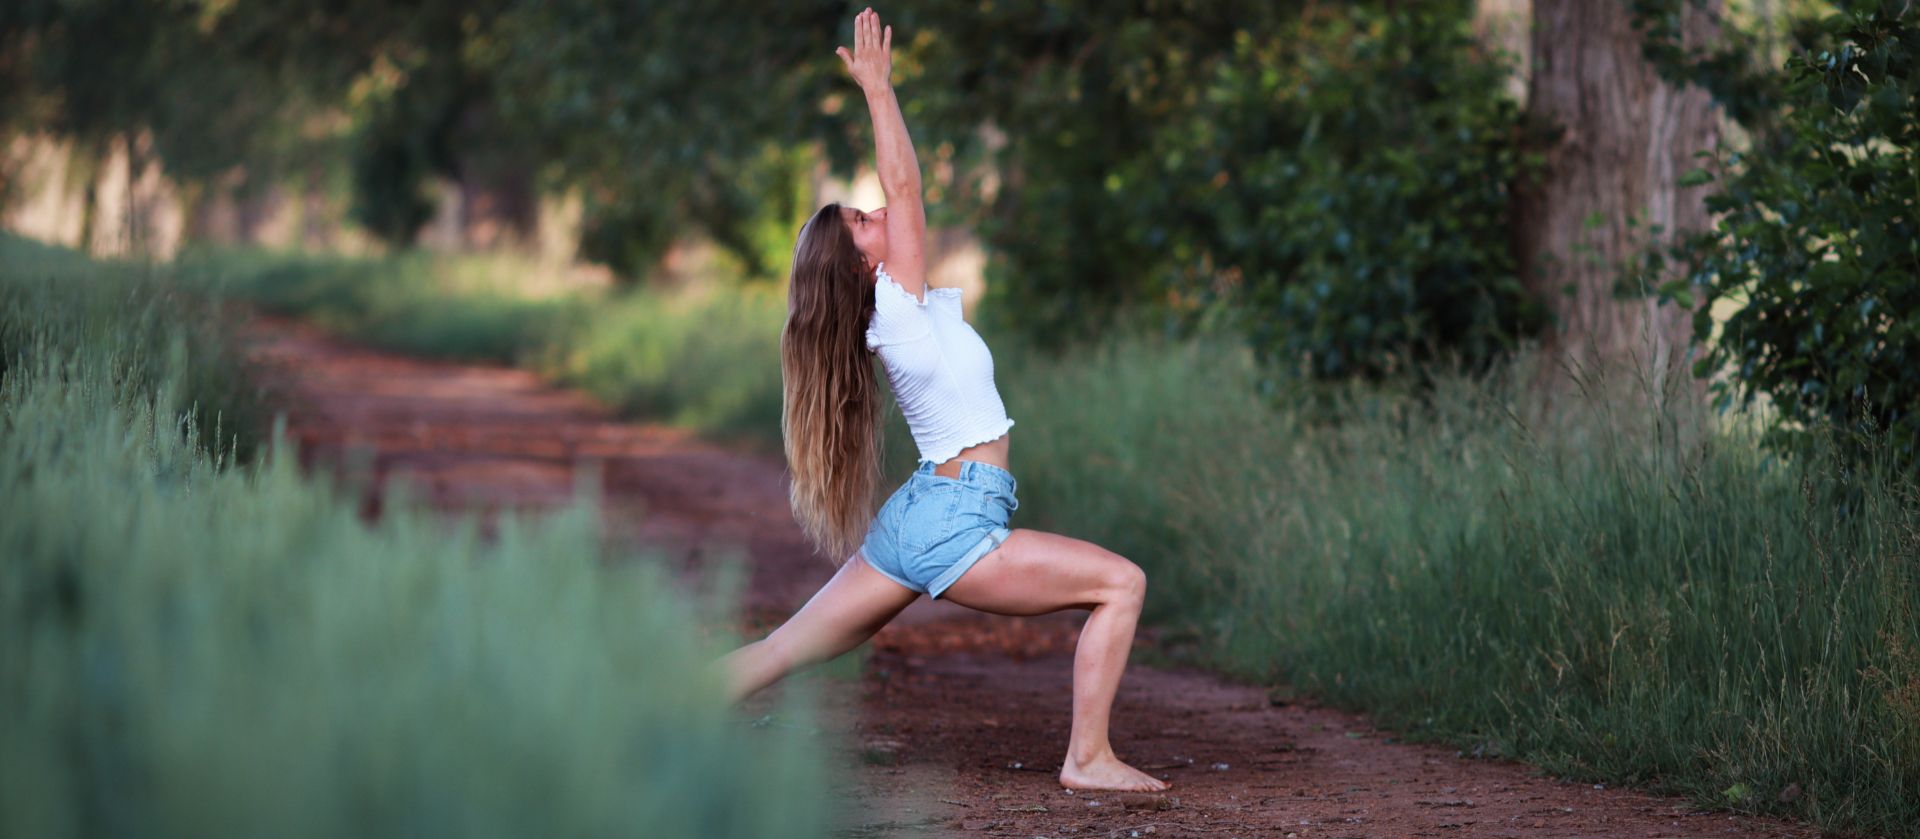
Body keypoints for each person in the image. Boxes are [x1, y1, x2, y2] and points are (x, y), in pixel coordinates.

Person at [714, 7, 1169, 794]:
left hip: (923, 512)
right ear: (861, 270)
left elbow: (901, 195)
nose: (881, 214)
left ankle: (626, 719)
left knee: (783, 648)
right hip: (955, 522)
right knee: (1120, 583)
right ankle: (1087, 758)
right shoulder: (893, 305)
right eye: (863, 224)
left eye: (866, 211)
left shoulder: (902, 317)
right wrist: (878, 91)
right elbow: (906, 182)